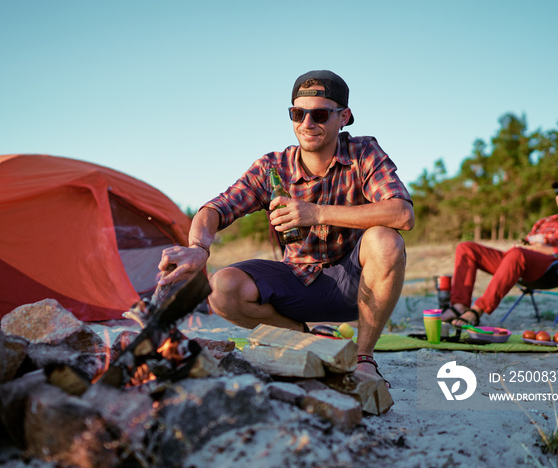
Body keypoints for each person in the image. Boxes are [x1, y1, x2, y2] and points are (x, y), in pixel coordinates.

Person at [157, 70, 414, 384]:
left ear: (343, 117)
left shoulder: (364, 153)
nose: (307, 124)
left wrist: (315, 213)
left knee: (386, 240)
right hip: (298, 280)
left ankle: (363, 359)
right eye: (298, 113)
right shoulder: (272, 167)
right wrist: (198, 247)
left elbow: (402, 213)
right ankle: (308, 339)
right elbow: (215, 208)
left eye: (319, 114)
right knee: (222, 288)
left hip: (356, 283)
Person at [442, 174, 558, 327]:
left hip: (552, 269)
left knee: (517, 254)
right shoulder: (545, 221)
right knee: (466, 248)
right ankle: (459, 306)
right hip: (520, 262)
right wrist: (524, 245)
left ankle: (477, 311)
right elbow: (526, 244)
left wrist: (551, 250)